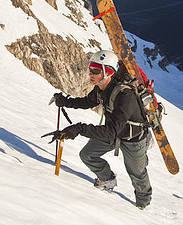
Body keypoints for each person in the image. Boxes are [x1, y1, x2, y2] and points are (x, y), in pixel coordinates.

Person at [45, 50, 153, 209]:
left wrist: (79, 128)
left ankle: (144, 205)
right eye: (91, 69)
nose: (91, 74)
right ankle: (107, 179)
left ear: (108, 72)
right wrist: (65, 102)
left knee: (137, 173)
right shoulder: (102, 88)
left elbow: (111, 131)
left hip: (133, 139)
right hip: (114, 133)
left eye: (95, 71)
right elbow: (87, 102)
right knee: (87, 155)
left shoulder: (126, 95)